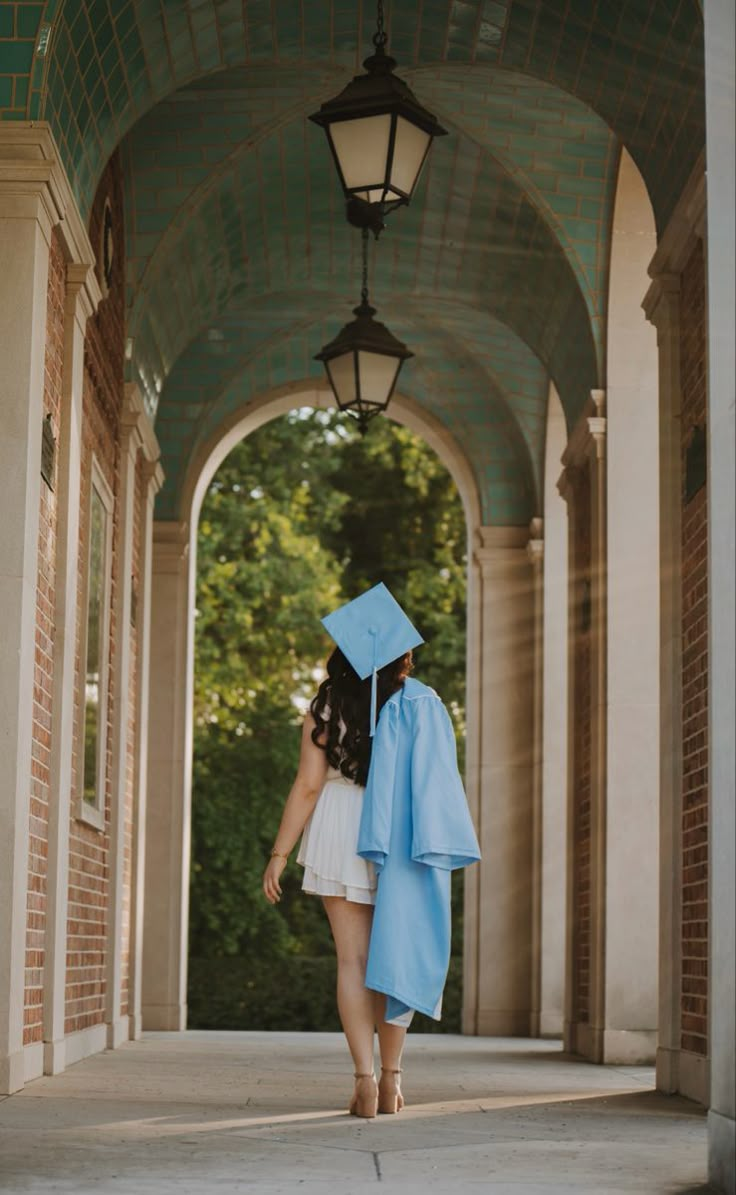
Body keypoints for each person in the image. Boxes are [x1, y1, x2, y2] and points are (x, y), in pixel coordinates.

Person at [262, 583, 480, 1118]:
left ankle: (361, 1078)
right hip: (399, 832)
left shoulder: (324, 705)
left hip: (339, 829)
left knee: (352, 960)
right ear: (403, 654)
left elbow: (307, 786)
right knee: (396, 954)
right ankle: (391, 1078)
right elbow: (436, 781)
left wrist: (279, 854)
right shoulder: (423, 703)